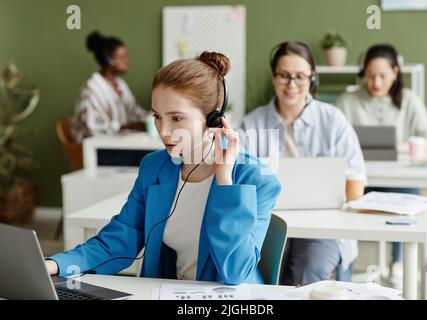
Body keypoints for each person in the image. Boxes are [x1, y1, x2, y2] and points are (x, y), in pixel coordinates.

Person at [45, 51, 281, 285]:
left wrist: (224, 179)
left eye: (177, 118)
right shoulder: (155, 167)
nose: (164, 130)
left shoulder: (256, 179)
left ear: (214, 120)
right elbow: (121, 237)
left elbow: (235, 271)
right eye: (157, 116)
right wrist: (54, 265)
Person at [240, 41, 365, 286]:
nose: (292, 85)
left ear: (312, 79)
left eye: (300, 76)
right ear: (273, 77)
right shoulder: (251, 124)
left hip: (323, 228)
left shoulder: (333, 120)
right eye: (284, 76)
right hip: (268, 224)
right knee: (262, 276)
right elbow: (240, 183)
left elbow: (356, 185)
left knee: (307, 275)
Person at [335, 44, 427, 288]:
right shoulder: (347, 100)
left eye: (383, 75)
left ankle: (399, 263)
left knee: (411, 197)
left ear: (395, 72)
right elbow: (334, 141)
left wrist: (405, 147)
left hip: (399, 182)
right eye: (370, 76)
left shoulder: (410, 101)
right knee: (342, 206)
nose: (376, 82)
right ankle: (345, 270)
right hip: (359, 181)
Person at [72, 31, 148, 143]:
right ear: (109, 60)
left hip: (116, 143)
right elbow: (92, 128)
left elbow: (134, 111)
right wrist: (122, 127)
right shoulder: (91, 90)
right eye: (123, 57)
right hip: (95, 148)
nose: (128, 61)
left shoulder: (121, 85)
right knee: (144, 156)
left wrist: (153, 119)